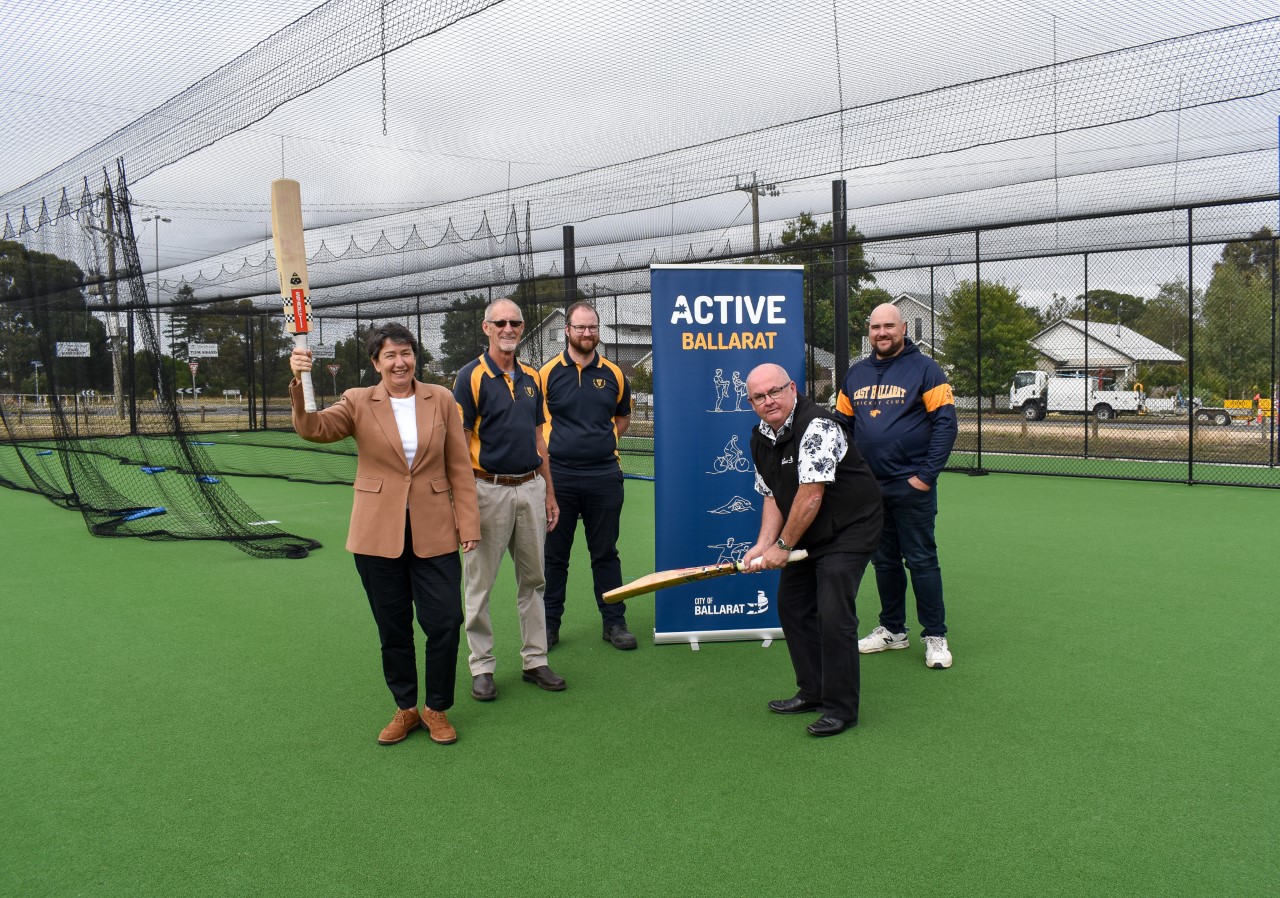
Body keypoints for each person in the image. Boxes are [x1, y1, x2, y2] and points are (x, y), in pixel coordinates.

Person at [289, 322, 480, 747]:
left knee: (445, 621)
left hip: (435, 531)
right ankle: (406, 707)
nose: (400, 362)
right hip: (377, 535)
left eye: (406, 352)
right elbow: (313, 428)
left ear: (416, 357)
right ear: (376, 363)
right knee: (392, 628)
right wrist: (300, 382)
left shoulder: (442, 399)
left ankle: (436, 708)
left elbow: (459, 467)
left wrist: (468, 523)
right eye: (390, 355)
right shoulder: (358, 401)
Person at [741, 364, 883, 737]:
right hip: (808, 529)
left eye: (774, 391)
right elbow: (773, 494)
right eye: (759, 396)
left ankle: (841, 708)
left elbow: (810, 495)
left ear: (792, 388)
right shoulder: (759, 437)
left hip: (850, 526)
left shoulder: (818, 425)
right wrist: (764, 544)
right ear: (751, 401)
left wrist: (783, 546)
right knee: (793, 605)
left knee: (833, 609)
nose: (768, 401)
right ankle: (813, 691)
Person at [453, 298, 566, 700]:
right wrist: (463, 507)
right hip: (487, 490)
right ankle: (481, 667)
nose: (508, 328)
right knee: (479, 584)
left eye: (515, 322)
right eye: (500, 322)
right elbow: (459, 447)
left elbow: (540, 439)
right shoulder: (469, 377)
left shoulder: (533, 377)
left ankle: (535, 660)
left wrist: (549, 492)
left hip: (531, 487)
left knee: (534, 580)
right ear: (486, 328)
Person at [836, 303, 958, 669]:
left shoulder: (926, 369)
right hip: (870, 490)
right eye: (875, 327)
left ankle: (935, 636)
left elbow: (945, 425)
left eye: (889, 326)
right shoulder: (854, 374)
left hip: (911, 486)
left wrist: (925, 476)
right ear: (868, 331)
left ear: (903, 328)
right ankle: (893, 630)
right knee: (884, 561)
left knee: (921, 560)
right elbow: (842, 427)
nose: (882, 333)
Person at [539, 301, 636, 650]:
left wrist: (604, 441)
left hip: (604, 476)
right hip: (559, 478)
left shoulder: (614, 374)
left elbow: (623, 417)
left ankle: (614, 623)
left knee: (605, 554)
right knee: (554, 556)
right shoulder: (546, 374)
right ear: (567, 331)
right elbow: (536, 425)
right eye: (580, 327)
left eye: (592, 327)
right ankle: (548, 627)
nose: (587, 333)